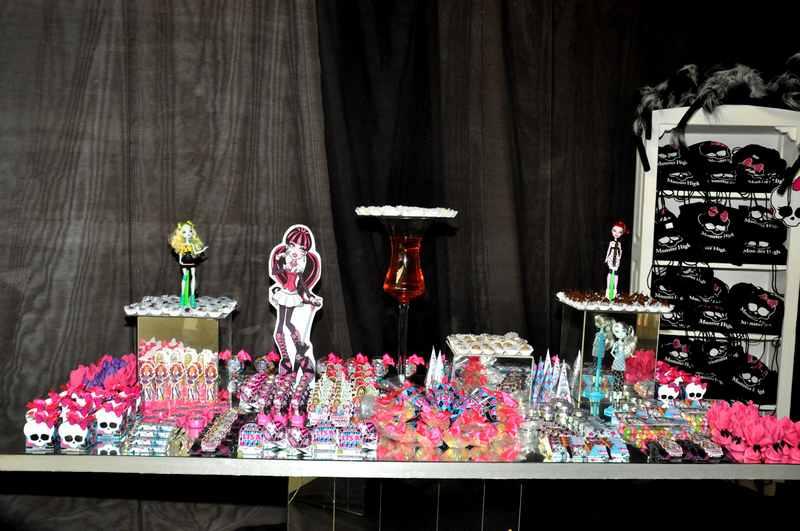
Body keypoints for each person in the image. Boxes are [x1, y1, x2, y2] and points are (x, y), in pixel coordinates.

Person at [169, 221, 207, 308]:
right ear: (180, 234)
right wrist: (180, 261)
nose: (188, 233)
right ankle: (183, 296)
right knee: (185, 277)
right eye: (184, 232)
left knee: (193, 276)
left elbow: (195, 252)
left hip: (191, 261)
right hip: (184, 261)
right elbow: (180, 253)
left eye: (190, 231)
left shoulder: (192, 244)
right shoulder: (182, 245)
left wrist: (202, 250)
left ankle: (192, 297)